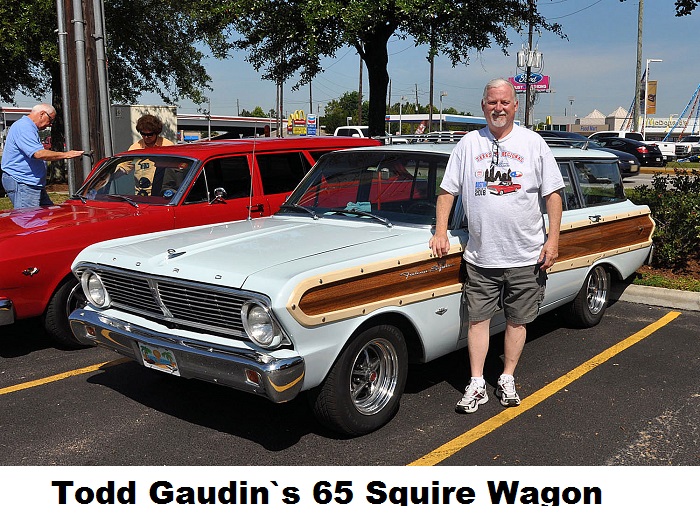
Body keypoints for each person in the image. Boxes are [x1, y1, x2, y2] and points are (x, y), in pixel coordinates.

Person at [429, 78, 564, 414]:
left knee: (518, 320)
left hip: (526, 255)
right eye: (492, 102)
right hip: (481, 256)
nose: (498, 108)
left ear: (515, 106)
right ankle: (476, 382)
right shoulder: (468, 144)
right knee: (477, 320)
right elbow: (447, 191)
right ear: (483, 105)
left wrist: (553, 240)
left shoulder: (533, 143)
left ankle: (507, 377)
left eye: (504, 102)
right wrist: (441, 232)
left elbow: (553, 195)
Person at [1, 103, 84, 208]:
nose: (50, 124)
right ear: (42, 114)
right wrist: (66, 155)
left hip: (31, 183)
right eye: (50, 120)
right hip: (23, 182)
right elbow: (38, 153)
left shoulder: (28, 127)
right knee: (29, 217)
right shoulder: (24, 127)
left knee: (49, 213)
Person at [126, 114, 174, 195]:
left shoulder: (167, 146)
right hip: (141, 195)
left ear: (156, 133)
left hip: (163, 193)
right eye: (143, 134)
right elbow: (124, 166)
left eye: (150, 134)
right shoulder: (135, 148)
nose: (146, 137)